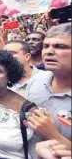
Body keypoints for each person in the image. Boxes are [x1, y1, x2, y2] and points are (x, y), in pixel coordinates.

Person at [26, 22, 71, 157]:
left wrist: (53, 135)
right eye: (46, 46)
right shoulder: (36, 80)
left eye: (60, 46)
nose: (49, 51)